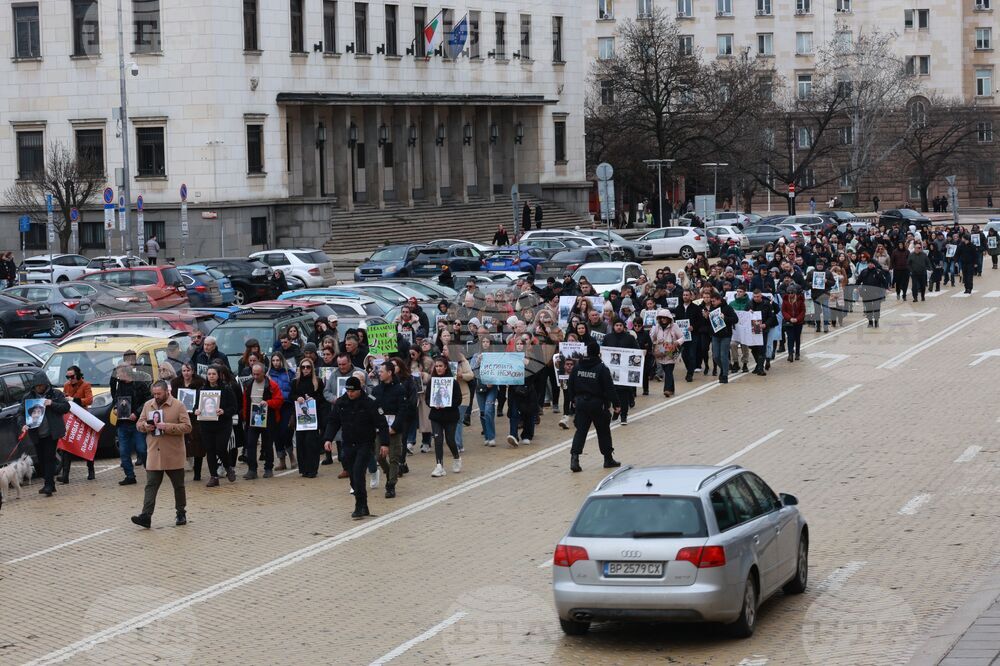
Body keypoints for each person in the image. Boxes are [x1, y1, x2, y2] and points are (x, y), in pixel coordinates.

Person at [323, 376, 389, 519]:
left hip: (365, 444)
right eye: (348, 391)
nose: (350, 394)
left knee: (359, 473)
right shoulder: (341, 402)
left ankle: (359, 506)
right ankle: (363, 505)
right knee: (353, 476)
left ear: (359, 390)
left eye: (353, 391)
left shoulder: (370, 402)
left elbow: (382, 424)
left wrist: (384, 443)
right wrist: (328, 439)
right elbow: (333, 421)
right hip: (348, 444)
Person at [131, 381, 192, 528]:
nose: (156, 396)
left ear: (166, 392)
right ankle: (146, 516)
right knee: (150, 485)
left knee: (178, 486)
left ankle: (180, 512)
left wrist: (168, 427)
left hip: (173, 453)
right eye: (154, 394)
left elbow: (187, 427)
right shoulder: (148, 405)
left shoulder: (178, 405)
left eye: (159, 394)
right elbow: (139, 424)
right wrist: (145, 426)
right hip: (154, 452)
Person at [565, 341, 620, 473]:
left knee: (581, 431)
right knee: (603, 431)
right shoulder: (602, 368)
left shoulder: (577, 367)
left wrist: (573, 400)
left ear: (587, 353)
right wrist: (617, 404)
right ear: (599, 353)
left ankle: (574, 459)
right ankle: (608, 459)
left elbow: (570, 384)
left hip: (581, 404)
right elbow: (609, 388)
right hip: (597, 405)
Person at [17, 371, 70, 496]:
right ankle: (49, 483)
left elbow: (66, 407)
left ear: (46, 384)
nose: (39, 388)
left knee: (49, 458)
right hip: (36, 434)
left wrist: (52, 403)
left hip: (51, 433)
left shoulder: (55, 393)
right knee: (41, 459)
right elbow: (20, 414)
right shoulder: (28, 397)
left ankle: (48, 486)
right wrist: (23, 425)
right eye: (37, 386)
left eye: (41, 385)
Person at [194, 365, 237, 486]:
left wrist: (224, 411)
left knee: (221, 448)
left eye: (214, 374)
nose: (211, 376)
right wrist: (196, 410)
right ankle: (214, 476)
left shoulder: (226, 389)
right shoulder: (202, 390)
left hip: (222, 425)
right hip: (206, 425)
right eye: (209, 374)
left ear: (219, 376)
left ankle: (228, 467)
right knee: (210, 450)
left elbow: (234, 407)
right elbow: (196, 406)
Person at [240, 363, 285, 479]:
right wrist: (245, 416)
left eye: (258, 374)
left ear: (263, 373)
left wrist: (268, 403)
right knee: (250, 444)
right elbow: (245, 401)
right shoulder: (248, 384)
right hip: (253, 418)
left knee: (268, 444)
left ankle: (268, 468)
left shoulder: (271, 385)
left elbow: (279, 400)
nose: (255, 376)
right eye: (253, 374)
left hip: (268, 418)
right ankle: (252, 470)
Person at [110, 363, 152, 485]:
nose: (117, 375)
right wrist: (116, 408)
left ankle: (151, 473)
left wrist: (137, 413)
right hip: (123, 423)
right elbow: (117, 400)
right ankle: (130, 476)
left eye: (119, 373)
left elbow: (147, 401)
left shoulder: (140, 384)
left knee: (142, 449)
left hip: (137, 423)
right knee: (123, 451)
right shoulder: (120, 385)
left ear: (125, 373)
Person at [371, 362, 404, 497]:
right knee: (379, 456)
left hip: (394, 428)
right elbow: (373, 408)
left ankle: (391, 484)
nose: (379, 373)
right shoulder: (376, 390)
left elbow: (403, 409)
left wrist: (395, 427)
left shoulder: (399, 389)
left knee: (394, 457)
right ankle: (390, 472)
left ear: (390, 373)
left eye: (382, 371)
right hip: (380, 428)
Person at [425, 358, 462, 478]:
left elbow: (458, 399)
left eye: (441, 366)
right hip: (436, 416)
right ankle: (439, 465)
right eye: (436, 366)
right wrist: (434, 404)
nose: (439, 368)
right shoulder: (432, 382)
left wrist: (447, 404)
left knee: (450, 439)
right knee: (438, 439)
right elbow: (427, 399)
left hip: (450, 415)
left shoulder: (453, 382)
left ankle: (456, 457)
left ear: (446, 367)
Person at [58, 365, 95, 483]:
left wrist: (74, 400)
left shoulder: (86, 385)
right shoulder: (66, 385)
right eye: (67, 377)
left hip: (83, 418)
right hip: (70, 418)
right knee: (66, 446)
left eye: (72, 376)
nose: (70, 379)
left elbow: (89, 400)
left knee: (86, 443)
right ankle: (65, 475)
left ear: (78, 375)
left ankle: (91, 470)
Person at [291, 357, 326, 479]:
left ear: (312, 368)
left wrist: (314, 399)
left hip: (313, 417)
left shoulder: (318, 381)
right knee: (301, 443)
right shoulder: (295, 382)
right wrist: (297, 398)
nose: (305, 369)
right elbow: (291, 395)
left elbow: (322, 397)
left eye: (308, 367)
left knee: (311, 443)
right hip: (300, 417)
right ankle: (304, 469)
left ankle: (312, 469)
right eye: (303, 367)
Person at [708, 291, 739, 384]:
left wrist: (725, 318)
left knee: (723, 355)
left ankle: (724, 375)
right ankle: (724, 368)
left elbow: (735, 319)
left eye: (713, 301)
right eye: (711, 301)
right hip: (715, 335)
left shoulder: (728, 308)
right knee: (715, 356)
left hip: (726, 335)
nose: (712, 303)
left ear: (719, 300)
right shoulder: (712, 308)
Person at [651, 310, 684, 398]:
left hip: (671, 350)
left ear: (669, 318)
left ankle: (667, 390)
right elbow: (652, 338)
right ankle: (672, 389)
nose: (663, 319)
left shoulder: (674, 326)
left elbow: (682, 337)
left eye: (665, 317)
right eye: (661, 317)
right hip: (661, 351)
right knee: (666, 370)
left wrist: (676, 342)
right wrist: (656, 342)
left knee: (669, 370)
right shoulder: (657, 327)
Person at [781, 286, 806, 362]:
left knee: (797, 338)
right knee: (790, 338)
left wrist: (797, 319)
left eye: (792, 293)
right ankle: (790, 354)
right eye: (788, 293)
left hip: (799, 322)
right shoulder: (785, 300)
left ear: (795, 293)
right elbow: (783, 311)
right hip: (789, 322)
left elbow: (803, 311)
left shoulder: (800, 300)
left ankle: (797, 353)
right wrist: (790, 318)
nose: (790, 294)